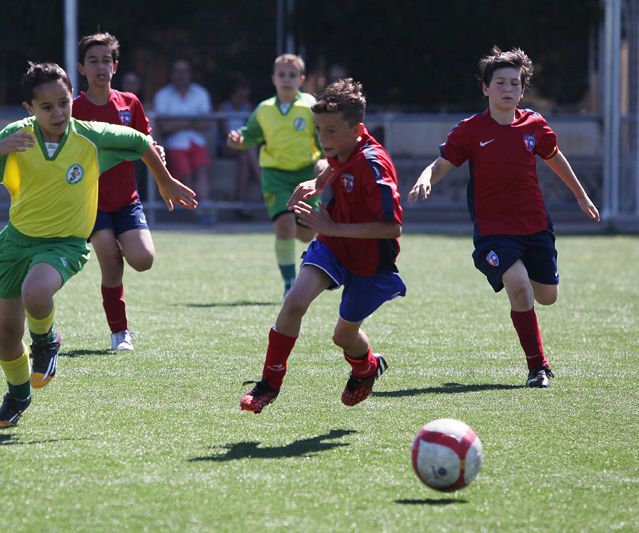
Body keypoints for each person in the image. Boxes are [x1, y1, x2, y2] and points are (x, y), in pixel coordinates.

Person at [0, 62, 197, 428]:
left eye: (64, 103)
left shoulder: (90, 137)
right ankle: (18, 395)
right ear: (29, 109)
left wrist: (164, 182)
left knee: (36, 293)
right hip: (16, 243)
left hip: (65, 243)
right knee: (6, 337)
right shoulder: (16, 137)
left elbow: (141, 141)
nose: (58, 113)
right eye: (47, 107)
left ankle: (47, 341)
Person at [408, 46, 600, 388]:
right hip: (494, 231)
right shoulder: (469, 131)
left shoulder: (534, 126)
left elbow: (556, 158)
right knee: (520, 287)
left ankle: (536, 350)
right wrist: (425, 178)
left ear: (522, 90)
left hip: (535, 226)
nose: (507, 89)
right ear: (485, 88)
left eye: (514, 83)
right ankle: (538, 366)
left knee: (547, 296)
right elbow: (442, 164)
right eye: (500, 83)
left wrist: (581, 195)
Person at [240, 79, 406, 414]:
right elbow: (336, 162)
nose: (323, 139)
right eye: (319, 130)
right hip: (332, 244)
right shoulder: (342, 148)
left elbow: (392, 227)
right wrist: (318, 182)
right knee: (294, 302)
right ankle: (269, 383)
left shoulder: (374, 165)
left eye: (331, 131)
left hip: (370, 258)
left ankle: (367, 367)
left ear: (357, 129)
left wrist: (334, 226)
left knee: (343, 337)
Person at [73, 32, 182, 351]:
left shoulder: (129, 103)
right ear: (81, 68)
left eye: (106, 60)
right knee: (109, 264)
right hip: (93, 203)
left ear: (115, 66)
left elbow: (145, 140)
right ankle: (120, 332)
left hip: (127, 201)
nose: (100, 66)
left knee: (144, 260)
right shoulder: (74, 110)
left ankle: (119, 245)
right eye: (93, 61)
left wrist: (156, 150)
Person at [226, 54, 327, 297]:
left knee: (306, 233)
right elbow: (250, 135)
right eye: (281, 75)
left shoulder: (310, 105)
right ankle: (289, 284)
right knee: (284, 226)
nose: (286, 80)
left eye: (292, 75)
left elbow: (323, 136)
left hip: (306, 174)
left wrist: (325, 159)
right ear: (273, 78)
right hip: (274, 175)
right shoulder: (264, 109)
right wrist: (238, 140)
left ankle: (303, 255)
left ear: (301, 79)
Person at [153, 59, 213, 224]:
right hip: (175, 144)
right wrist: (191, 121)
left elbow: (206, 122)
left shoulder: (201, 93)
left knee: (202, 171)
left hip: (197, 142)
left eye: (184, 71)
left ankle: (204, 211)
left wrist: (178, 122)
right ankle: (194, 212)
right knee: (185, 176)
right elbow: (164, 126)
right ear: (172, 74)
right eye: (177, 71)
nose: (181, 75)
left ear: (189, 74)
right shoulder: (162, 95)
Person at [217, 76, 260, 218]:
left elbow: (253, 131)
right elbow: (225, 135)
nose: (243, 99)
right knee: (248, 150)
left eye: (245, 96)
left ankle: (240, 203)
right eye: (240, 96)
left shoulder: (248, 107)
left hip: (244, 147)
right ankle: (262, 180)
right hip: (228, 146)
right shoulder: (224, 108)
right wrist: (237, 141)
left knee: (244, 160)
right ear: (232, 95)